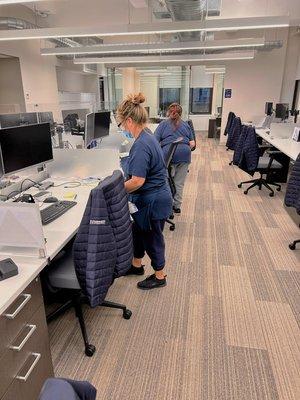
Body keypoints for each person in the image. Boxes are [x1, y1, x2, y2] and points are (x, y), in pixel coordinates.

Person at [117, 93, 172, 290]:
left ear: (129, 120)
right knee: (138, 231)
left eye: (123, 124)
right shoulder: (148, 134)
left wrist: (115, 189)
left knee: (152, 237)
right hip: (154, 197)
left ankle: (159, 276)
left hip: (153, 201)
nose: (123, 128)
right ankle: (136, 265)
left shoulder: (141, 145)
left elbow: (138, 181)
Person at [154, 103, 195, 214]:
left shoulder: (163, 124)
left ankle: (167, 206)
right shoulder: (186, 125)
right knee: (179, 183)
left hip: (168, 157)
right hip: (185, 155)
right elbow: (192, 143)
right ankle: (177, 206)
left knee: (167, 182)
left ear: (168, 112)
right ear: (181, 114)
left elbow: (154, 142)